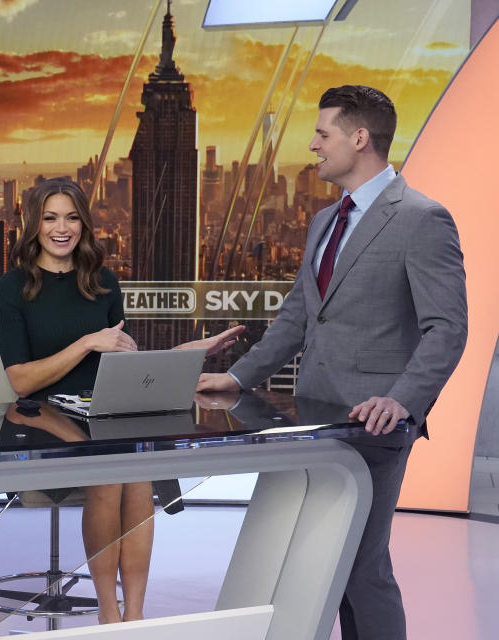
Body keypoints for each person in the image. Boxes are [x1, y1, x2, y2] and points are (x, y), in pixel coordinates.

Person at [197, 85, 467, 640]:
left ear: (360, 138)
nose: (314, 145)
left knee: (360, 567)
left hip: (374, 422)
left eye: (324, 134)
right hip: (313, 418)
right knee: (324, 563)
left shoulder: (421, 218)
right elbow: (299, 317)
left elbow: (448, 328)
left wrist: (401, 399)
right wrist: (238, 376)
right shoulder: (324, 221)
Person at [0, 177, 243, 624]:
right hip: (47, 417)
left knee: (140, 476)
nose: (61, 228)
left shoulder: (103, 281)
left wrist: (180, 358)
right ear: (34, 224)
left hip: (106, 408)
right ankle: (109, 616)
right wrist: (87, 342)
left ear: (84, 223)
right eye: (50, 218)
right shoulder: (14, 287)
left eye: (71, 217)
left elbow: (122, 360)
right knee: (114, 475)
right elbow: (21, 382)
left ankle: (136, 618)